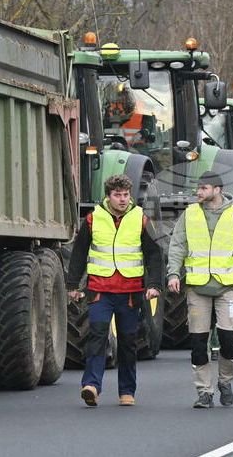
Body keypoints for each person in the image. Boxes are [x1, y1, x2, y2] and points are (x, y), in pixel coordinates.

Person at [67, 174, 162, 407]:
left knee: (129, 342)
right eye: (117, 195)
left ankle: (127, 391)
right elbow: (79, 253)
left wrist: (154, 285)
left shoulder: (140, 219)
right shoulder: (93, 219)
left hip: (130, 291)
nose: (122, 199)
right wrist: (72, 285)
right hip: (100, 290)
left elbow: (154, 253)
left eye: (126, 195)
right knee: (97, 335)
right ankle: (91, 386)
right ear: (108, 196)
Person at [167, 171, 233, 408]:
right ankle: (204, 392)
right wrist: (174, 273)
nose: (199, 192)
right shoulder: (189, 215)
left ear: (217, 190)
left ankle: (225, 382)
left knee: (229, 340)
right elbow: (177, 246)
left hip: (227, 287)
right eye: (198, 188)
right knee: (198, 343)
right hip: (197, 288)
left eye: (204, 188)